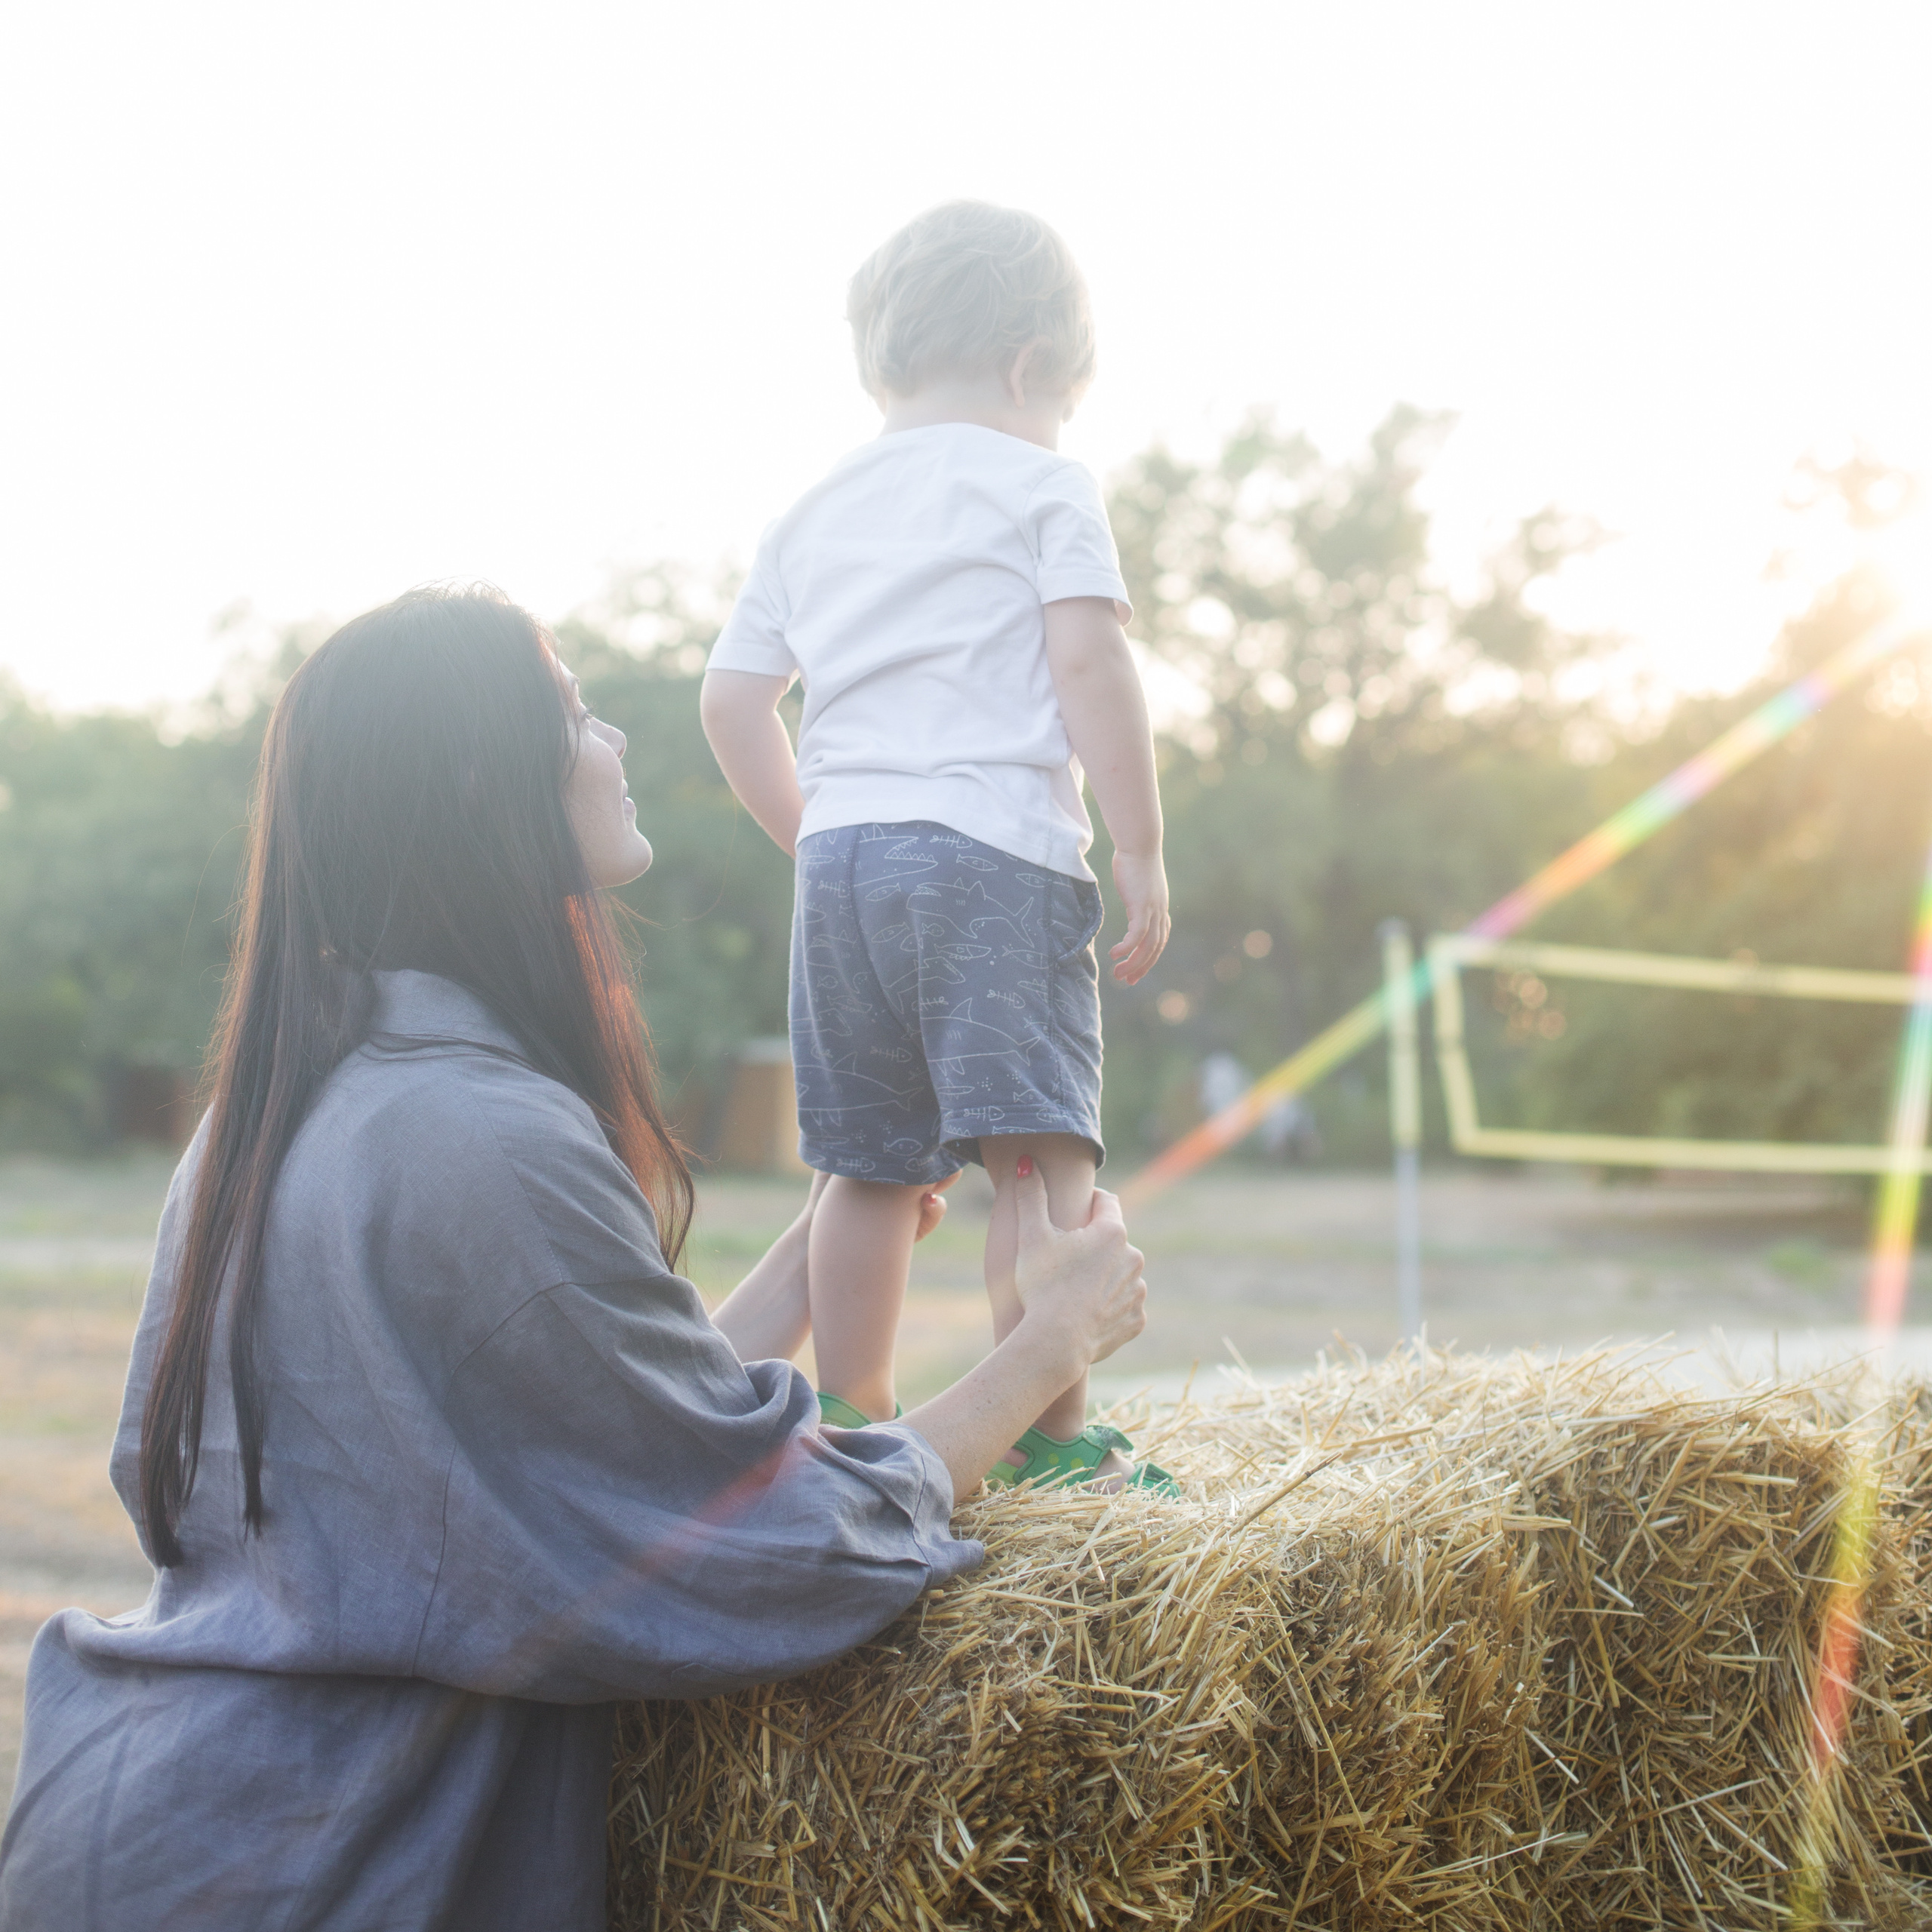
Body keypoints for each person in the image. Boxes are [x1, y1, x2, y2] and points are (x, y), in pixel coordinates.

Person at [0, 589, 1148, 1931]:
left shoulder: (285, 1110)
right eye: (577, 713)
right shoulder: (479, 1134)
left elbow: (538, 1441)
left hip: (143, 1829)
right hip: (317, 1867)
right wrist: (1046, 1346)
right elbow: (769, 1542)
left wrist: (809, 1255)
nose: (611, 741)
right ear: (492, 776)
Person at [701, 202, 1172, 1490]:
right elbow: (1088, 657)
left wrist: (814, 835)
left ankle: (854, 1417)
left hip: (845, 865)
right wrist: (1138, 844)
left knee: (863, 1170)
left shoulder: (809, 510)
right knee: (1039, 1160)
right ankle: (1059, 1445)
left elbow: (733, 702)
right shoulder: (1043, 482)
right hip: (997, 853)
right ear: (1033, 370)